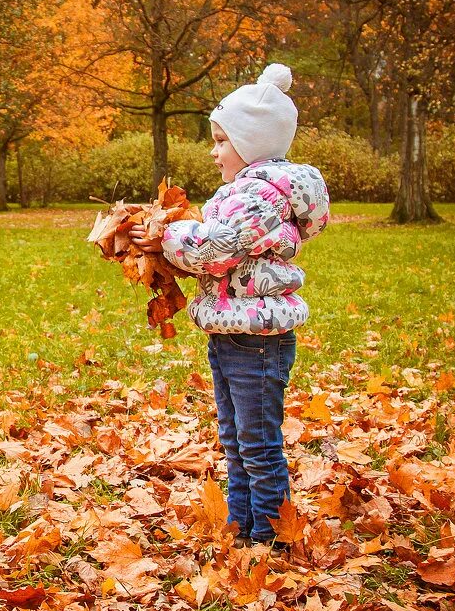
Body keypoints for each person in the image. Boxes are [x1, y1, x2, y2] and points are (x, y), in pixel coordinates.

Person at [130, 64, 330, 547]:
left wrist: (165, 235)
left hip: (257, 339)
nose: (214, 150)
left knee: (258, 446)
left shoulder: (261, 195)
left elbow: (215, 251)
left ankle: (270, 539)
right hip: (232, 331)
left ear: (252, 142)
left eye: (221, 140)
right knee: (237, 441)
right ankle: (243, 528)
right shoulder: (246, 192)